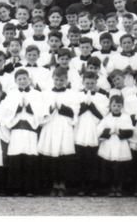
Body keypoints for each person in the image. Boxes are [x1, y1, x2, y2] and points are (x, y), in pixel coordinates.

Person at [38, 67, 80, 196]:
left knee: (63, 157)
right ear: (52, 79)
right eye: (56, 79)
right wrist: (50, 108)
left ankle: (62, 184)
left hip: (63, 126)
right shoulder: (45, 93)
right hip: (50, 126)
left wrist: (62, 108)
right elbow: (41, 111)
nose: (59, 82)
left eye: (62, 80)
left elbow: (75, 111)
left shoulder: (72, 94)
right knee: (52, 157)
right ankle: (53, 184)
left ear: (66, 80)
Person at [5, 69, 46, 196]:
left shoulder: (37, 94)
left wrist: (28, 108)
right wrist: (17, 108)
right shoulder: (11, 94)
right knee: (16, 158)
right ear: (15, 81)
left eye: (24, 78)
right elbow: (6, 111)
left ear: (29, 79)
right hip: (16, 129)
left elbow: (41, 111)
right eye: (19, 79)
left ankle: (30, 188)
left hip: (30, 130)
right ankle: (15, 188)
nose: (22, 81)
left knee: (30, 158)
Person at [74, 71, 109, 196]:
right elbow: (73, 113)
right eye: (87, 83)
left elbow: (103, 115)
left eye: (92, 83)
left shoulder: (102, 97)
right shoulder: (77, 96)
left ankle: (93, 187)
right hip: (81, 130)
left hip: (94, 130)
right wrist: (83, 107)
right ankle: (81, 187)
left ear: (96, 83)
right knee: (80, 159)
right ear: (83, 83)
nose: (89, 85)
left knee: (93, 160)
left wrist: (92, 108)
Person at [97, 95, 135, 197]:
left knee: (120, 167)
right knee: (110, 166)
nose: (116, 108)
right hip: (109, 144)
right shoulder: (106, 118)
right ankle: (111, 188)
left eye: (119, 105)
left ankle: (119, 187)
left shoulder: (126, 117)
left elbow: (130, 131)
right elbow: (99, 130)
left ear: (122, 106)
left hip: (120, 144)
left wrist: (119, 131)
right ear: (110, 106)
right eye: (114, 105)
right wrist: (109, 131)